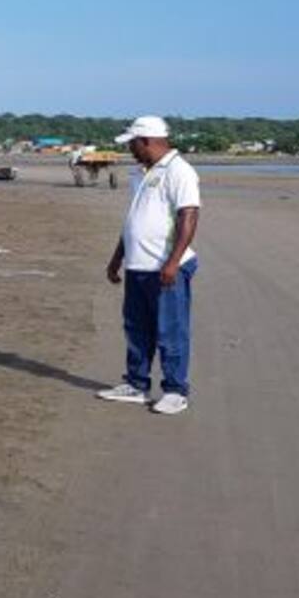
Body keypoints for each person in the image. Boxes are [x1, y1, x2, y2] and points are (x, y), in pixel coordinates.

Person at [98, 115, 200, 415]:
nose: (130, 149)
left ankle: (175, 391)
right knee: (136, 328)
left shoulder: (179, 170)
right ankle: (136, 384)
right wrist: (117, 258)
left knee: (170, 331)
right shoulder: (141, 173)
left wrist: (173, 262)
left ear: (147, 141)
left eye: (132, 144)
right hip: (138, 265)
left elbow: (189, 216)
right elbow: (134, 220)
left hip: (166, 267)